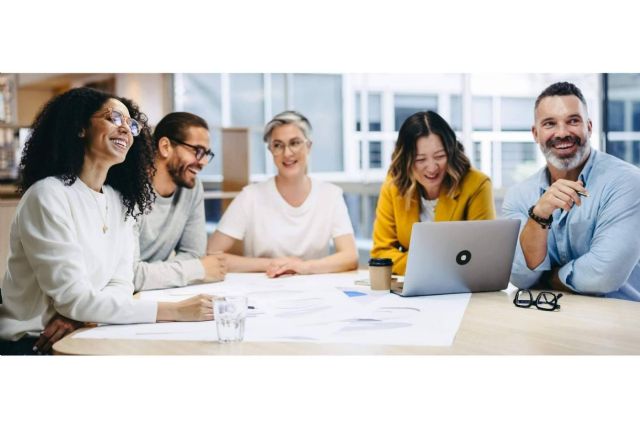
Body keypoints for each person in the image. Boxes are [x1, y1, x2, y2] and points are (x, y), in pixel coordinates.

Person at [0, 88, 213, 355]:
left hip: (87, 331)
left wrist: (82, 313)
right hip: (31, 343)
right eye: (114, 118)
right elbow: (74, 299)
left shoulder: (119, 200)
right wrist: (176, 311)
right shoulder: (47, 195)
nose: (126, 128)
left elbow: (122, 283)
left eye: (131, 124)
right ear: (80, 128)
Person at [503, 82, 640, 301]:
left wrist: (550, 277)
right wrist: (539, 215)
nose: (562, 132)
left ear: (589, 127)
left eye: (573, 121)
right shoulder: (519, 196)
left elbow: (603, 276)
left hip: (623, 321)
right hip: (551, 319)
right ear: (535, 133)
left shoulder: (627, 182)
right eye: (550, 124)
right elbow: (520, 276)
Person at [207, 110, 358, 277]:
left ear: (308, 146)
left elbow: (350, 257)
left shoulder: (330, 195)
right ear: (271, 150)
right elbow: (212, 254)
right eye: (278, 145)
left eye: (295, 143)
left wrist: (303, 267)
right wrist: (272, 264)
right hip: (263, 288)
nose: (287, 153)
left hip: (314, 290)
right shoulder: (250, 196)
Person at [371, 110, 496, 275]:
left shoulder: (477, 185)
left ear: (451, 152)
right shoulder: (394, 184)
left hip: (461, 288)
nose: (432, 168)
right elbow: (381, 254)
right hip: (413, 286)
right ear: (406, 160)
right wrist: (435, 263)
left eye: (440, 156)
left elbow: (483, 255)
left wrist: (414, 261)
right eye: (420, 159)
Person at [133, 112, 226, 292]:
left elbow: (193, 254)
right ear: (165, 146)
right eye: (197, 151)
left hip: (159, 294)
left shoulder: (193, 188)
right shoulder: (129, 189)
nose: (204, 162)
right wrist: (198, 270)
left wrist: (155, 275)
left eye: (207, 154)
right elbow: (129, 274)